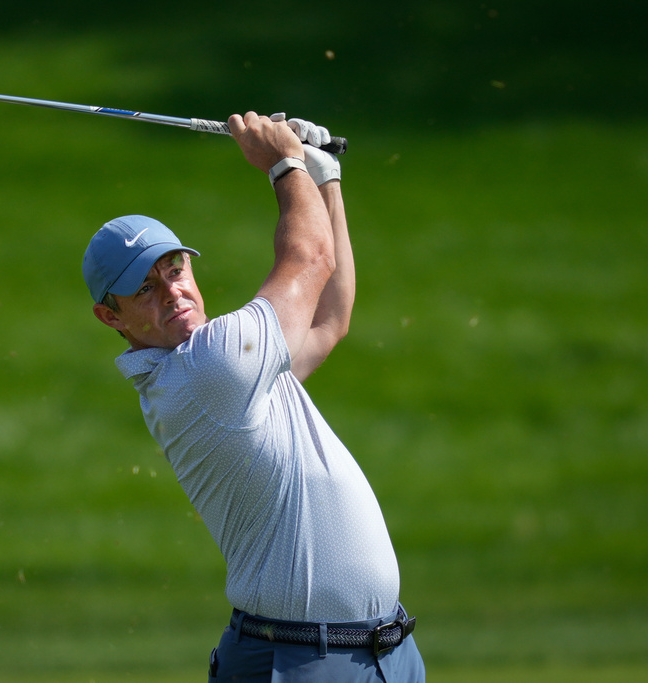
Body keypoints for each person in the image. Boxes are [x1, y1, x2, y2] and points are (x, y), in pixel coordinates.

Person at [81, 111, 425, 682]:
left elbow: (330, 319)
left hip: (381, 652)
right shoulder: (206, 370)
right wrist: (283, 164)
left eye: (175, 268)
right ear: (109, 317)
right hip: (300, 662)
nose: (172, 292)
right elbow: (310, 259)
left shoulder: (235, 370)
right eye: (144, 288)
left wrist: (324, 174)